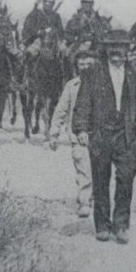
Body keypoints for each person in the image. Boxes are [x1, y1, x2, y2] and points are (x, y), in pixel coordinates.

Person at [72, 29, 136, 244]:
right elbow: (83, 102)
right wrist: (82, 129)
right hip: (100, 133)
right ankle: (102, 225)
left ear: (127, 49)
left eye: (121, 47)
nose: (117, 51)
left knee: (126, 178)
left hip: (125, 134)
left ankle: (121, 224)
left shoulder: (134, 76)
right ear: (106, 49)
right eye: (112, 47)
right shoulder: (93, 73)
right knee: (100, 179)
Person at [49, 49, 97, 218]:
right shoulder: (72, 85)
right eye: (82, 64)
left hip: (100, 136)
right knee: (83, 168)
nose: (85, 67)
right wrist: (54, 133)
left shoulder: (103, 84)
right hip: (78, 136)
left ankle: (96, 197)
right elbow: (61, 110)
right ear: (77, 67)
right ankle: (85, 201)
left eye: (89, 64)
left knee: (99, 169)